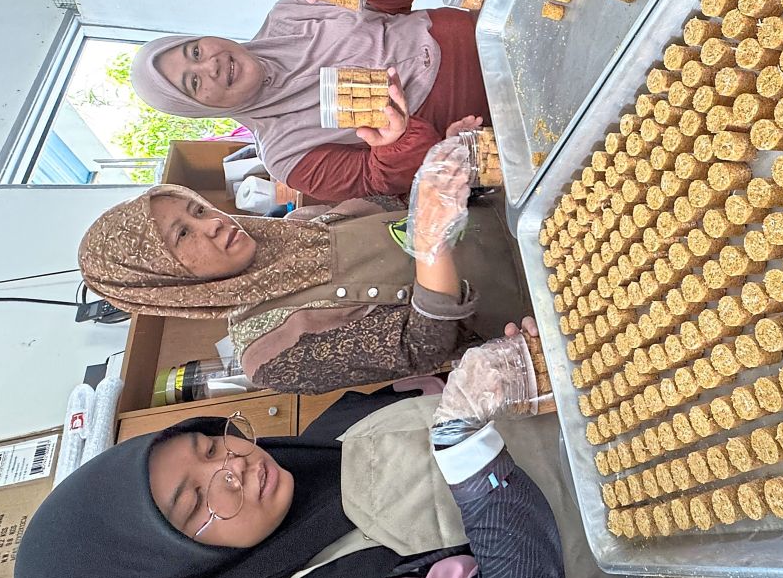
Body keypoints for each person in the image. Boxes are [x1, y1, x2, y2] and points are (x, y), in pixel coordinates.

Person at [14, 340, 621, 578]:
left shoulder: (325, 437)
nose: (233, 467)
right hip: (651, 524)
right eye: (197, 501)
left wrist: (509, 359)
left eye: (207, 443)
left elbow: (442, 388)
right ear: (175, 576)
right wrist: (465, 453)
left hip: (628, 404)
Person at [77, 144, 528, 393]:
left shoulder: (302, 224)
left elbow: (403, 209)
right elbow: (421, 350)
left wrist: (446, 166)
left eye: (197, 210)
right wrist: (432, 250)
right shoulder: (270, 354)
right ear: (163, 283)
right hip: (538, 304)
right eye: (182, 236)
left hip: (526, 219)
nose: (212, 224)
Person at [128, 0, 488, 201]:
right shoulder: (286, 156)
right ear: (197, 108)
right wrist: (396, 141)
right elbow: (379, 182)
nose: (212, 65)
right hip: (487, 112)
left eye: (194, 52)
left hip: (488, 31)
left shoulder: (293, 10)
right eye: (193, 83)